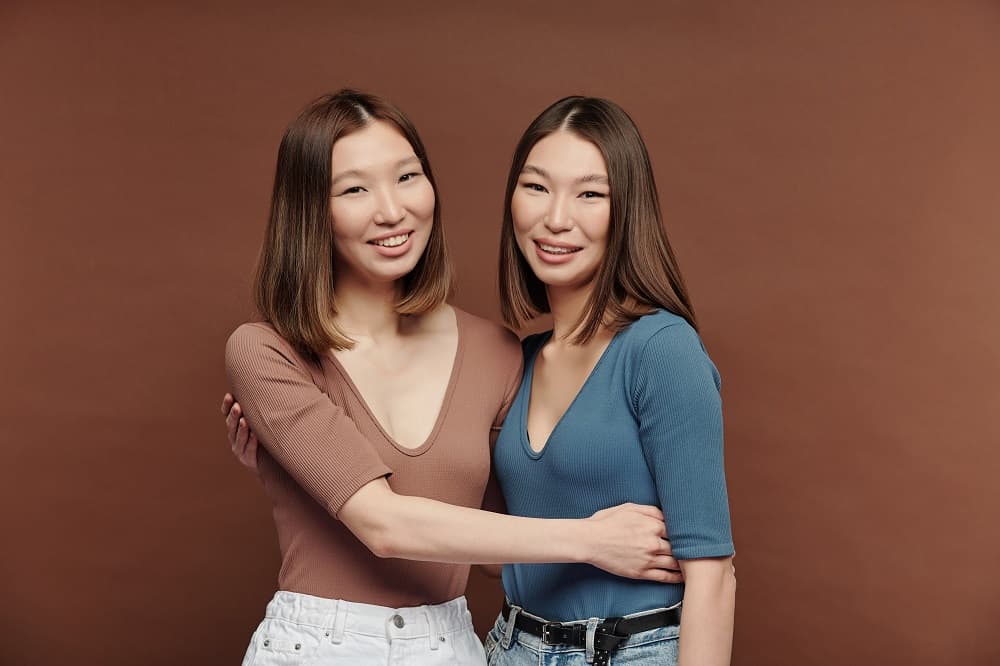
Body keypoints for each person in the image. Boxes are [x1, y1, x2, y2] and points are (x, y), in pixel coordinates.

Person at [223, 89, 680, 666]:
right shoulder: (265, 350)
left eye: (407, 177)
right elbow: (383, 526)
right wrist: (592, 540)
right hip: (316, 647)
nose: (392, 210)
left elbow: (490, 550)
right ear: (311, 209)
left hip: (449, 646)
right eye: (355, 189)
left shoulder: (496, 351)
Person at [482, 96, 736, 666]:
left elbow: (713, 578)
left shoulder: (661, 350)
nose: (556, 218)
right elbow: (493, 549)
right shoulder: (518, 361)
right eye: (537, 187)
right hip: (511, 646)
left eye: (590, 194)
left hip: (629, 651)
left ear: (627, 212)